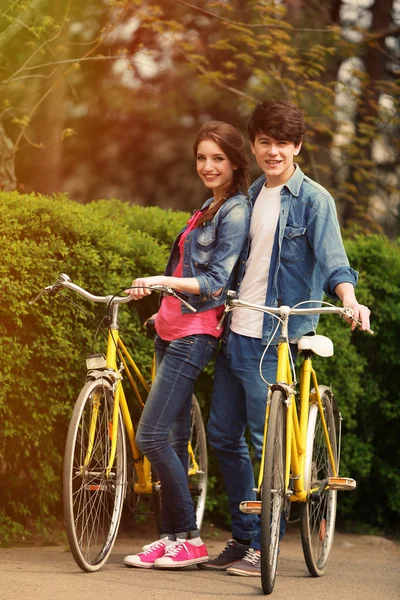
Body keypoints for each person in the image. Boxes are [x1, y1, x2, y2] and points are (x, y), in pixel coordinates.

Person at [200, 99, 371, 576]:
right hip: (238, 329)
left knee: (263, 441)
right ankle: (244, 537)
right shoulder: (249, 196)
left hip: (276, 337)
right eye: (264, 142)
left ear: (297, 145)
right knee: (222, 435)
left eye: (282, 143)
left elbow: (335, 260)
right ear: (254, 145)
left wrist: (349, 298)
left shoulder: (315, 200)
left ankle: (266, 547)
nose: (273, 151)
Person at [123, 121, 251, 569]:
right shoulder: (208, 206)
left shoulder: (235, 211)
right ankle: (170, 536)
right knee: (174, 439)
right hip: (170, 328)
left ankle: (192, 540)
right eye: (201, 157)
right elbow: (186, 263)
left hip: (196, 334)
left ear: (236, 162)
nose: (208, 166)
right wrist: (162, 305)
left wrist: (161, 281)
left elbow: (216, 283)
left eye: (218, 158)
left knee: (150, 435)